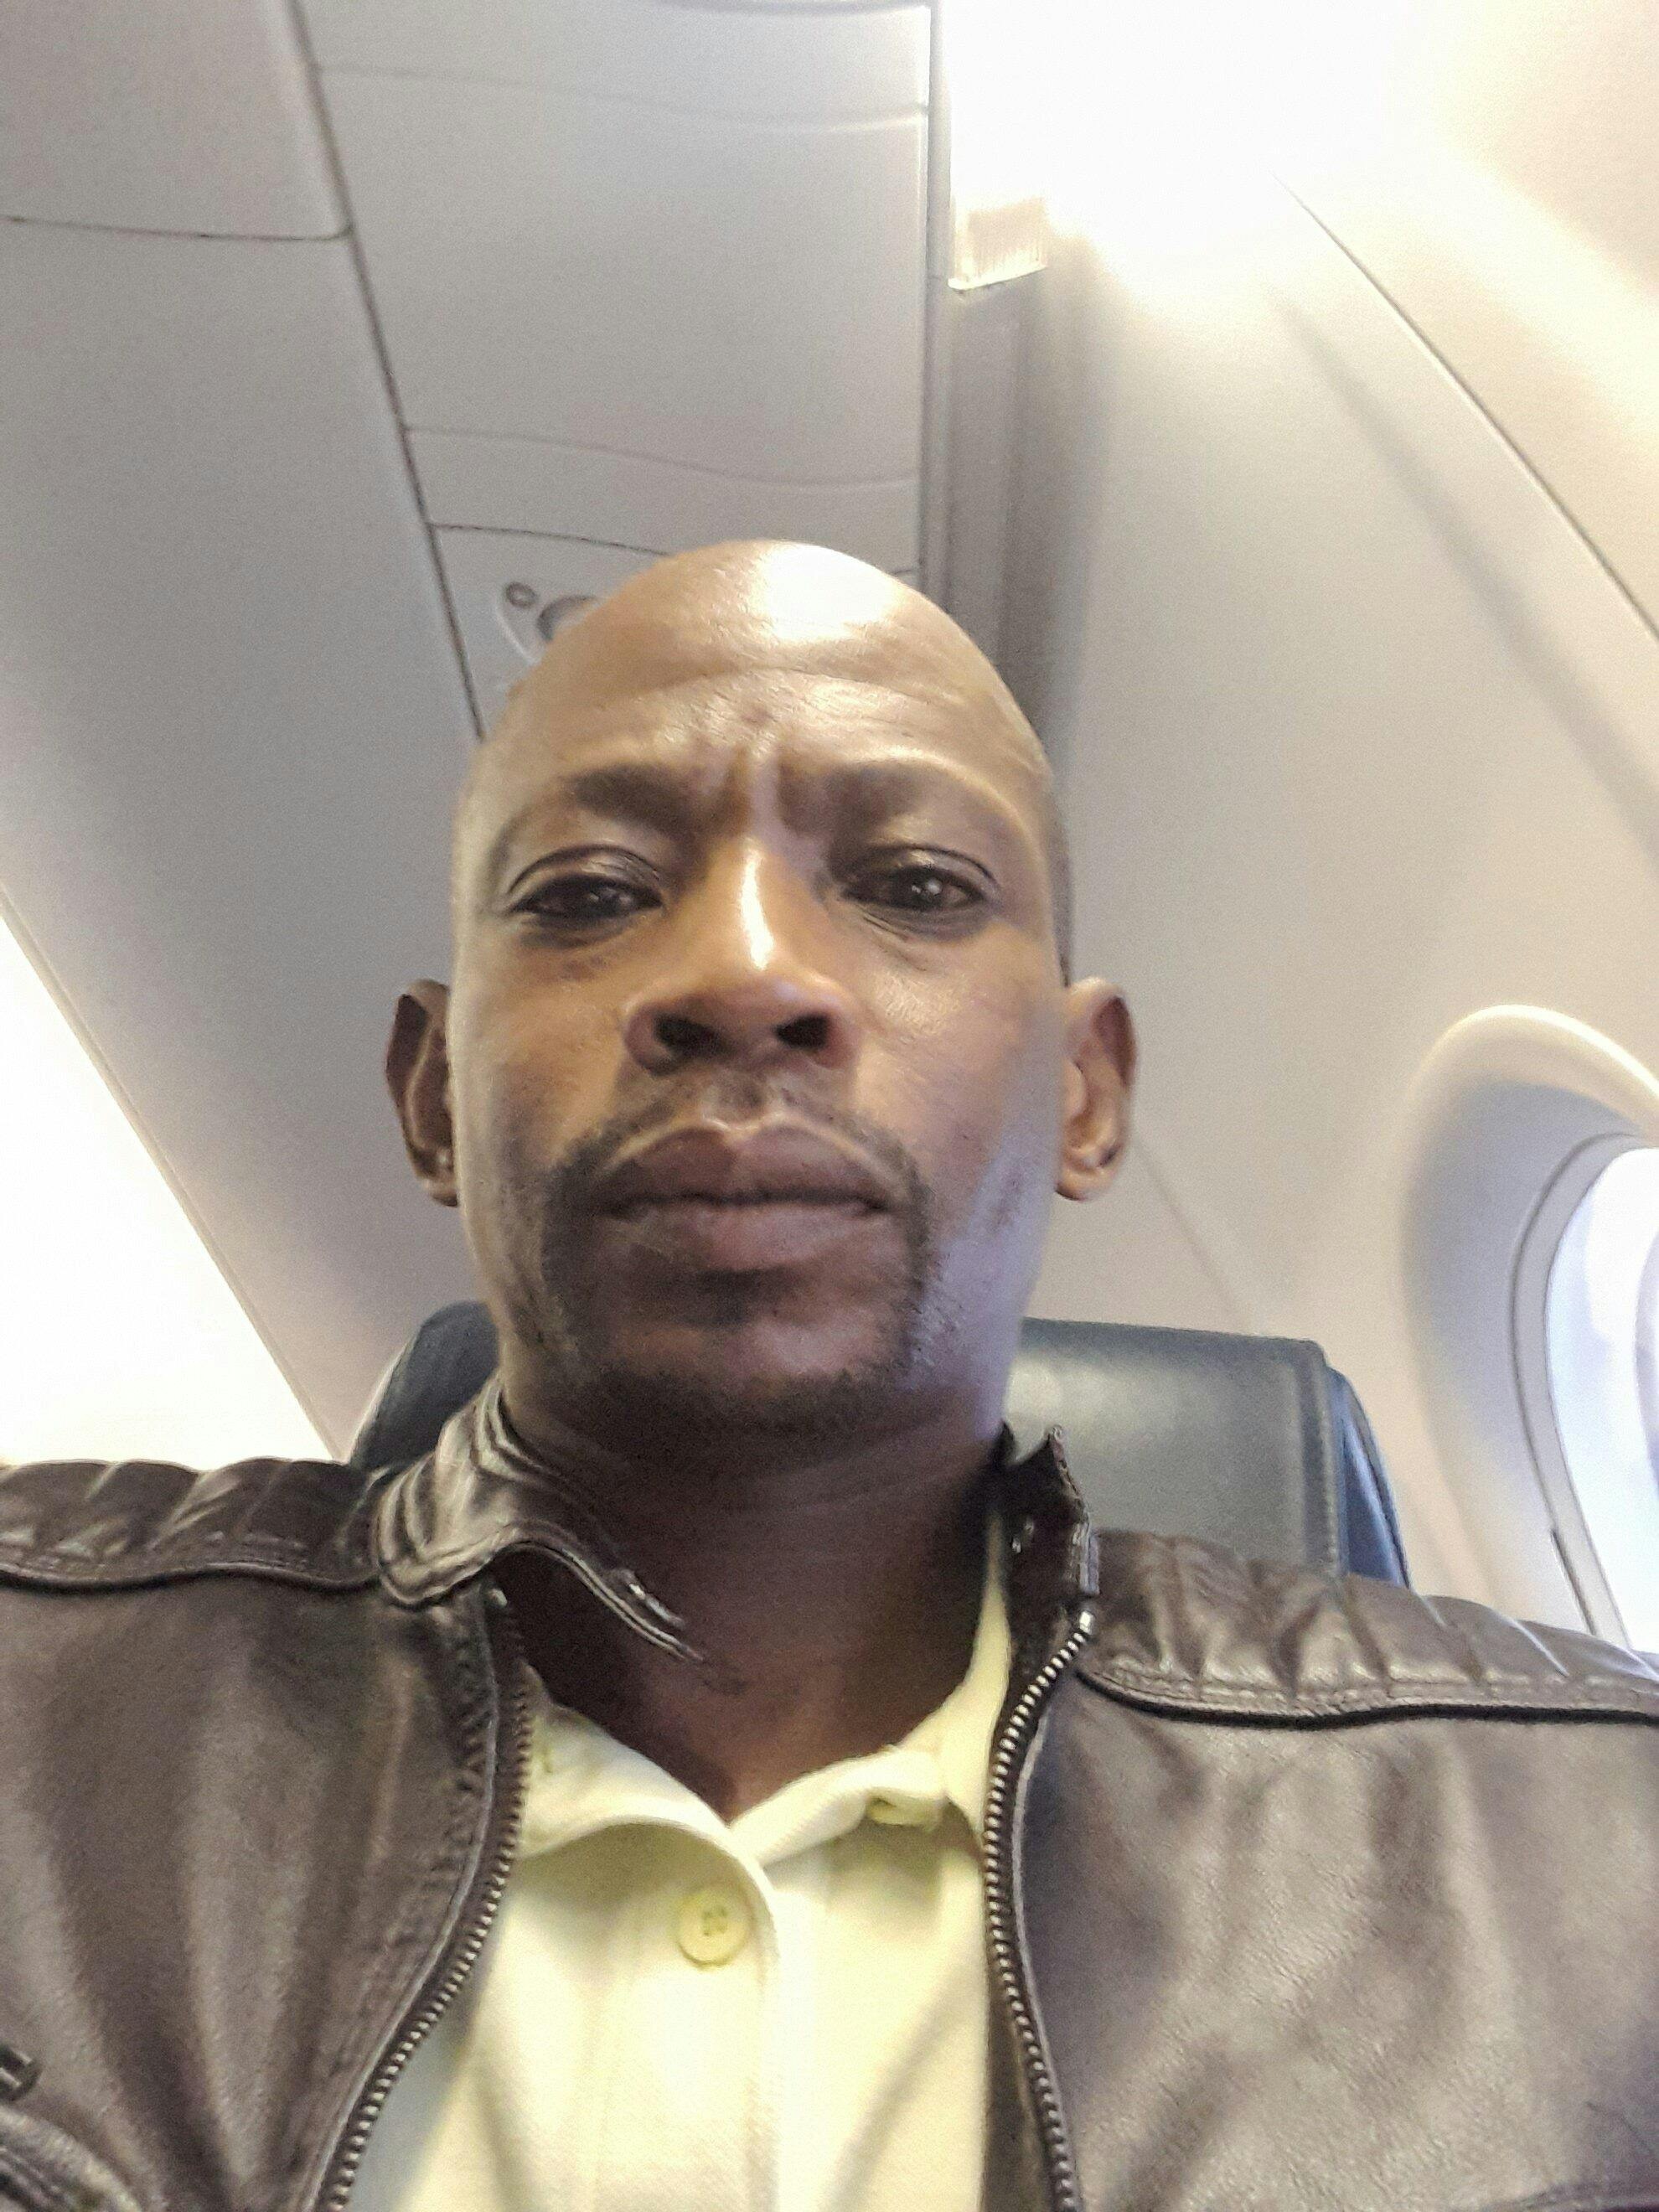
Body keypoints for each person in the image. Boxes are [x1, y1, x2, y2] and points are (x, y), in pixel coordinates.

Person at [0, 541, 1653, 2212]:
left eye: (917, 886)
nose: (745, 975)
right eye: (588, 891)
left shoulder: (1597, 1847)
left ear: (1084, 1094)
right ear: (433, 1097)